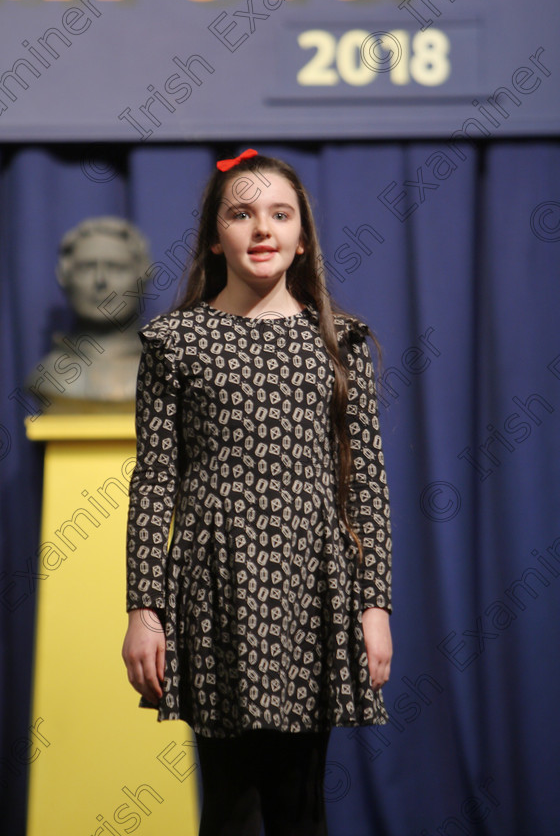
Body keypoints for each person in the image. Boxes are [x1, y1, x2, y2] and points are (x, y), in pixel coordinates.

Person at [122, 149, 393, 836]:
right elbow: (155, 480)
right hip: (215, 584)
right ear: (217, 235)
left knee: (300, 801)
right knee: (232, 802)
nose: (262, 229)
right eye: (241, 213)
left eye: (280, 213)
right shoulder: (175, 342)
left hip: (312, 585)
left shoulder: (340, 342)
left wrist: (374, 603)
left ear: (303, 236)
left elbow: (364, 484)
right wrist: (144, 608)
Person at [24, 216, 151, 403]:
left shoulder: (161, 373)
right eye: (86, 268)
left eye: (117, 268)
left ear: (143, 277)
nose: (100, 280)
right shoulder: (48, 376)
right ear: (64, 277)